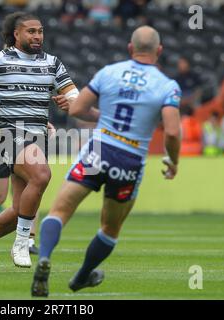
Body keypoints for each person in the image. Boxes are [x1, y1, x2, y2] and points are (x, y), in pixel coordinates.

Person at [31, 25, 182, 297]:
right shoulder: (167, 86)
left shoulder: (108, 73)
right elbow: (171, 131)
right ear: (159, 51)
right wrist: (173, 160)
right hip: (130, 159)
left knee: (60, 211)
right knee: (110, 228)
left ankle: (44, 258)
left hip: (99, 150)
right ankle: (80, 277)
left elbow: (77, 109)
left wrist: (105, 115)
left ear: (129, 48)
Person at [0, 12, 91, 272]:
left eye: (40, 31)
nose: (37, 36)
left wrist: (69, 101)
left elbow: (75, 95)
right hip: (6, 135)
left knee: (18, 210)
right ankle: (22, 243)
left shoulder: (53, 64)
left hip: (35, 138)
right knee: (41, 175)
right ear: (16, 34)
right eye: (31, 31)